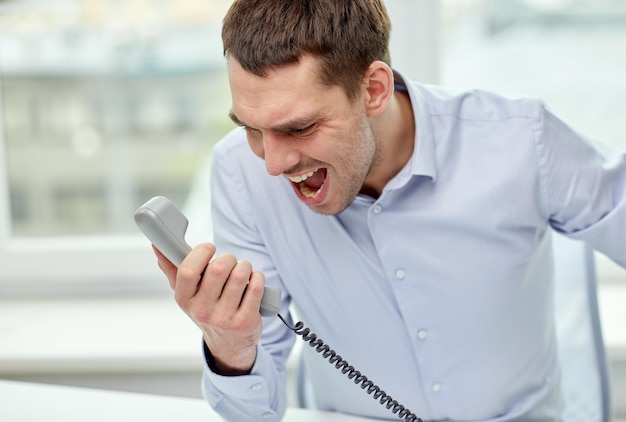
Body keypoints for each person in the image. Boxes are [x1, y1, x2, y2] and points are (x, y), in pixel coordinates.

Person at [154, 1, 626, 421]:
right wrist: (231, 346)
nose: (273, 163)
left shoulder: (521, 141)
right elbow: (253, 415)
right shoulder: (241, 173)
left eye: (299, 128)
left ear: (374, 89)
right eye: (252, 129)